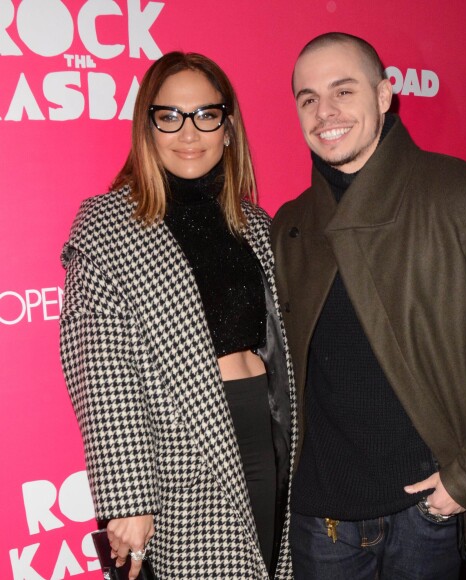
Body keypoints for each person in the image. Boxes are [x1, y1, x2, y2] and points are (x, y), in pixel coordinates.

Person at [270, 32, 466, 580]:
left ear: (384, 95)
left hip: (425, 513)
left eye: (343, 91)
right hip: (319, 519)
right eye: (308, 99)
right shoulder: (291, 224)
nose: (324, 112)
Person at [59, 51, 295, 580]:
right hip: (178, 452)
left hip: (267, 429)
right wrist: (127, 498)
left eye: (206, 115)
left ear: (228, 127)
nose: (188, 133)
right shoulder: (107, 226)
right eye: (169, 116)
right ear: (147, 126)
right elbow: (100, 370)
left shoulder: (257, 224)